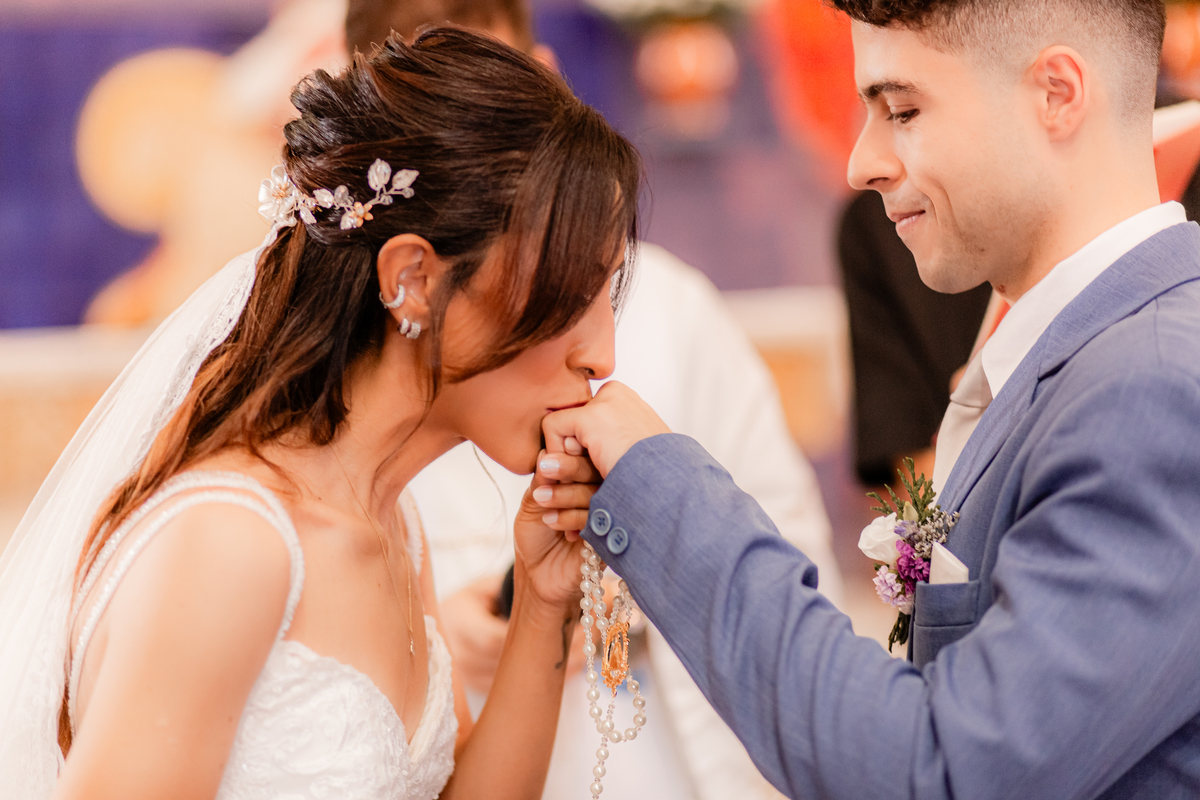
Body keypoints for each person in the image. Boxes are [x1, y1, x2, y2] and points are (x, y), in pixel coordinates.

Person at [535, 0, 1200, 797]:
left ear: (1057, 93)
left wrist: (659, 489)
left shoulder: (1151, 393)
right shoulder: (1088, 356)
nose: (861, 163)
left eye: (904, 110)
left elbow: (940, 772)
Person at [0, 30, 642, 799]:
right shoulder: (232, 543)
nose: (601, 354)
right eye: (571, 296)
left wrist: (542, 603)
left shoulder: (391, 524)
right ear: (413, 280)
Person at [345, 4, 841, 800]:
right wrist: (428, 627)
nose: (598, 352)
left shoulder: (677, 310)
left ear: (546, 73)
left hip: (659, 742)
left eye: (500, 99)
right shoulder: (333, 406)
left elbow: (784, 543)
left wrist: (638, 577)